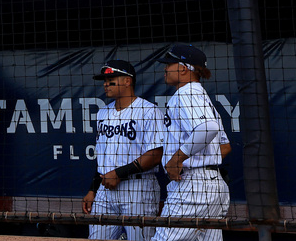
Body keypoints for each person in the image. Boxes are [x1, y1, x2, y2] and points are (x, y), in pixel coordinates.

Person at [152, 44, 230, 241]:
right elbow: (224, 145)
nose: (165, 68)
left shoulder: (187, 93)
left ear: (184, 68)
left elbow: (208, 128)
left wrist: (176, 160)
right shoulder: (203, 98)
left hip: (193, 187)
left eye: (169, 64)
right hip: (213, 185)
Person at [82, 61, 164, 241]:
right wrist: (92, 189)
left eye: (111, 79)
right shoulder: (103, 113)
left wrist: (119, 173)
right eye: (104, 80)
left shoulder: (149, 111)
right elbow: (104, 157)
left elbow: (156, 155)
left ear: (127, 81)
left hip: (138, 188)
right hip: (105, 188)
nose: (106, 84)